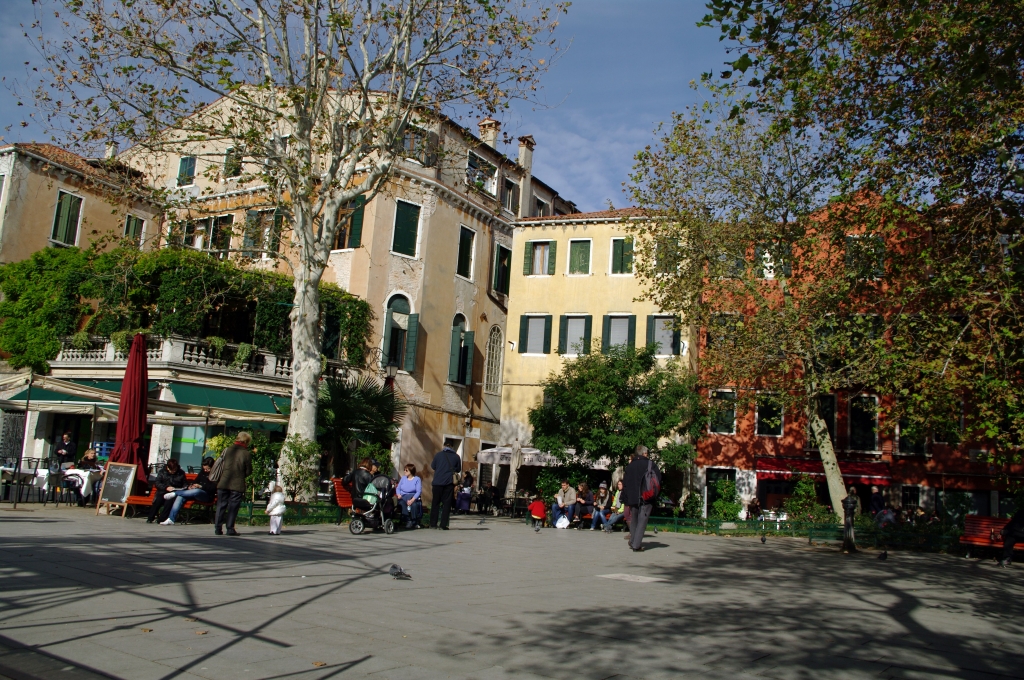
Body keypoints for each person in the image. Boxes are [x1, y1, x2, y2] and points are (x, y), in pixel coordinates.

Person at [622, 445, 661, 552]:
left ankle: (633, 541)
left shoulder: (630, 466)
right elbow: (658, 480)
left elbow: (625, 484)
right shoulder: (650, 464)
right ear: (645, 453)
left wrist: (626, 498)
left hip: (632, 497)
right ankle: (636, 545)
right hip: (646, 497)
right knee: (642, 520)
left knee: (634, 519)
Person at [214, 432, 253, 536]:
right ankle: (230, 528)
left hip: (223, 482)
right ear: (246, 441)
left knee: (221, 505)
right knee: (233, 507)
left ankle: (217, 528)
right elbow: (249, 471)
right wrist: (241, 474)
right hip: (237, 484)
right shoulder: (246, 453)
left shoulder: (227, 450)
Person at [159, 457, 217, 525]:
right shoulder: (202, 472)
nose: (205, 470)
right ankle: (171, 519)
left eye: (208, 469)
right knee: (181, 496)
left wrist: (201, 486)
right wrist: (192, 485)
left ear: (212, 467)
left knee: (197, 491)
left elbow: (213, 488)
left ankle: (175, 493)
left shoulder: (216, 474)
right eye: (204, 468)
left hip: (207, 495)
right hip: (194, 493)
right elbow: (196, 481)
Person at [429, 443, 461, 530]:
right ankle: (443, 525)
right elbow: (458, 469)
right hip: (448, 483)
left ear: (444, 446)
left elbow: (433, 466)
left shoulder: (438, 455)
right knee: (447, 504)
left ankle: (433, 524)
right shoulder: (456, 457)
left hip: (437, 483)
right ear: (452, 447)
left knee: (435, 503)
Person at [147, 458, 186, 524]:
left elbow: (185, 483)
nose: (173, 471)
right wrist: (166, 487)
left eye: (175, 469)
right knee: (158, 500)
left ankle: (161, 519)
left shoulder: (181, 473)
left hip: (173, 492)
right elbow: (157, 483)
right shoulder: (162, 472)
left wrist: (183, 487)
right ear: (168, 467)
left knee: (169, 502)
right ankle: (150, 518)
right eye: (172, 470)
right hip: (162, 491)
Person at [395, 463, 423, 529]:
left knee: (414, 505)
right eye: (404, 470)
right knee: (402, 503)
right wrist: (398, 494)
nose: (404, 471)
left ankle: (414, 521)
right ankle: (408, 520)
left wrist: (412, 500)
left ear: (411, 471)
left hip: (412, 496)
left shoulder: (417, 479)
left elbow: (418, 491)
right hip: (403, 496)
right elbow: (398, 488)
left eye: (406, 470)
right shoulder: (403, 478)